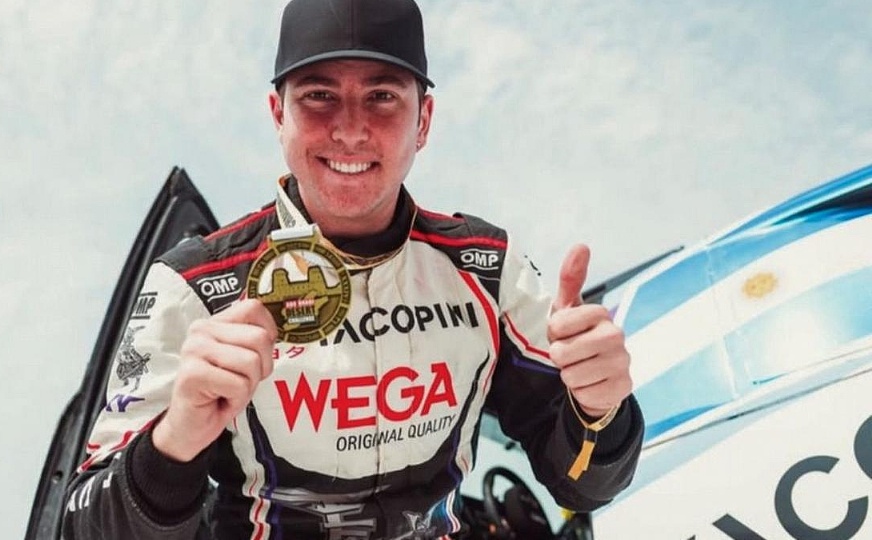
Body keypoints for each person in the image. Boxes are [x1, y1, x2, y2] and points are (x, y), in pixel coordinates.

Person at [61, 0, 644, 538]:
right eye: (319, 95)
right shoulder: (194, 285)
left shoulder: (488, 268)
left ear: (423, 120)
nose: (349, 129)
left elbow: (584, 486)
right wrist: (174, 442)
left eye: (382, 96)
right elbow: (82, 526)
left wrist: (601, 412)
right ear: (278, 114)